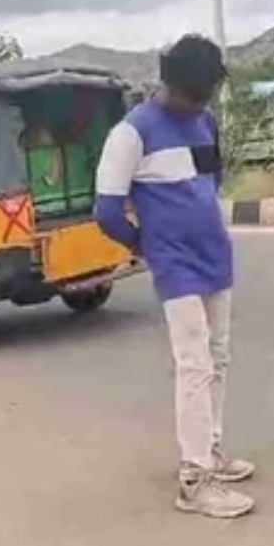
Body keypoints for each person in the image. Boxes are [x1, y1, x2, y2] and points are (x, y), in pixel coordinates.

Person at [93, 34, 252, 519]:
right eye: (193, 95)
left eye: (205, 96)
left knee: (219, 357)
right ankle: (194, 479)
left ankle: (212, 451)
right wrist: (148, 247)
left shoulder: (204, 121)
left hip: (214, 256)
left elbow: (210, 182)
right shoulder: (131, 133)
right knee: (195, 364)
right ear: (170, 83)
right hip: (175, 265)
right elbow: (106, 211)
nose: (198, 105)